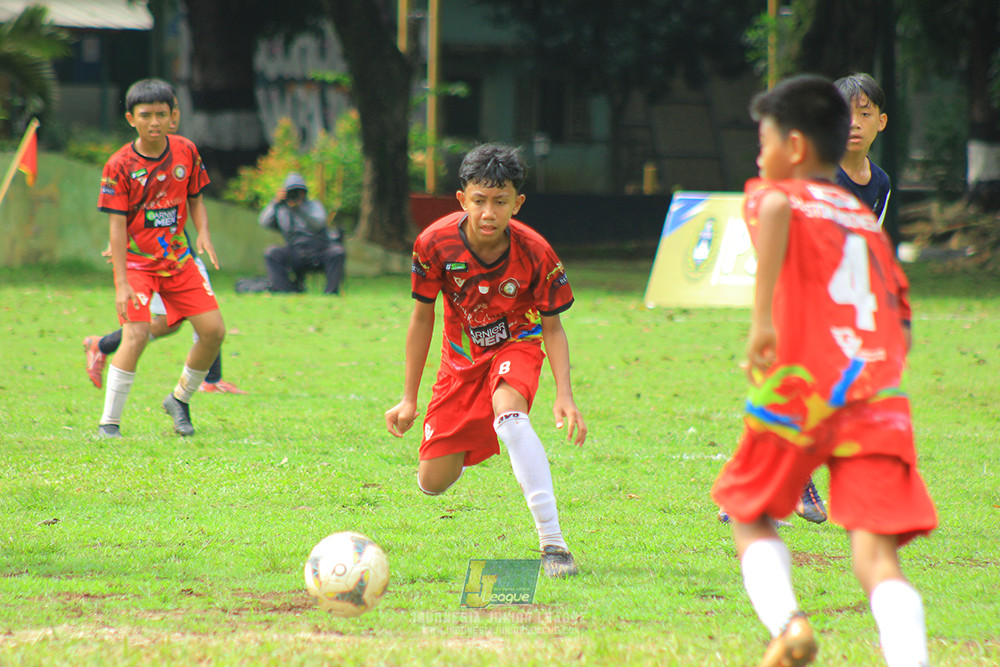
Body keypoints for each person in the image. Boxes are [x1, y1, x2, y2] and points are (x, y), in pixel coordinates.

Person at [711, 75, 936, 667]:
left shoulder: (775, 190)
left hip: (805, 386)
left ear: (796, 147)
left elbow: (778, 204)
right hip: (877, 395)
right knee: (876, 557)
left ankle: (788, 624)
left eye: (764, 142)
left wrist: (762, 319)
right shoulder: (866, 219)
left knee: (747, 510)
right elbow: (903, 314)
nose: (759, 156)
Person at [384, 143, 586, 578]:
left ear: (518, 203)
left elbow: (552, 327)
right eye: (479, 201)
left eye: (500, 201)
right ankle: (494, 434)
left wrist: (564, 395)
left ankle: (554, 546)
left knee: (511, 416)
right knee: (432, 483)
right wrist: (407, 398)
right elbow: (422, 318)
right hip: (460, 360)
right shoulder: (433, 243)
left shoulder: (536, 252)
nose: (488, 212)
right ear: (462, 200)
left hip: (518, 341)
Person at [84, 92, 244, 395]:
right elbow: (124, 217)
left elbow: (193, 198)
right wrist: (125, 245)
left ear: (174, 116)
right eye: (147, 115)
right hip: (147, 262)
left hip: (177, 253)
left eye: (162, 114)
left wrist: (203, 234)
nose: (155, 122)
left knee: (175, 323)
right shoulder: (123, 163)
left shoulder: (184, 152)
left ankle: (101, 345)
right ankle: (210, 380)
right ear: (132, 119)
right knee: (162, 326)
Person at [257, 173, 345, 294]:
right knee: (271, 253)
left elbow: (318, 224)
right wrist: (275, 202)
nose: (296, 195)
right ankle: (288, 290)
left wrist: (299, 209)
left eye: (298, 191)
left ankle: (331, 291)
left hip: (318, 250)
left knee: (337, 252)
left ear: (304, 192)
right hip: (295, 250)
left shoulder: (314, 205)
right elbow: (263, 222)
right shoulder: (281, 209)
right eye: (291, 192)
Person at [835, 73, 891, 227]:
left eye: (865, 114)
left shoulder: (881, 183)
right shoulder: (816, 176)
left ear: (881, 122)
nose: (854, 123)